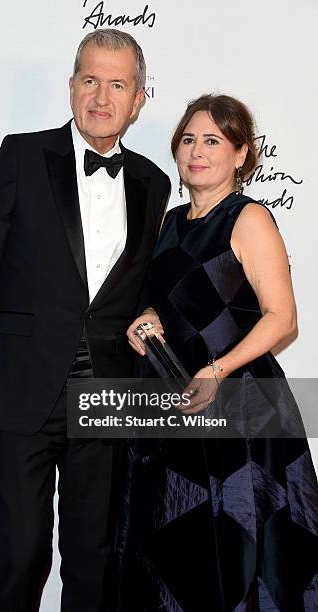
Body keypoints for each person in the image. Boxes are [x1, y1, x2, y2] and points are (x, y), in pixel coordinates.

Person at [0, 29, 171, 612]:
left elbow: (139, 282)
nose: (101, 96)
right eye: (90, 80)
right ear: (71, 88)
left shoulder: (153, 182)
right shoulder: (21, 155)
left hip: (107, 395)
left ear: (139, 98)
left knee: (92, 555)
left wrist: (150, 310)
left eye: (117, 84)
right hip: (20, 389)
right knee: (23, 554)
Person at [119, 94, 318, 611]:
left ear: (240, 153)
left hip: (242, 407)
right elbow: (177, 301)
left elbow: (283, 317)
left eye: (212, 140)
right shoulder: (167, 223)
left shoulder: (248, 218)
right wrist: (151, 321)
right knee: (176, 547)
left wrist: (217, 370)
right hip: (176, 405)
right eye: (188, 139)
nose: (197, 151)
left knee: (241, 548)